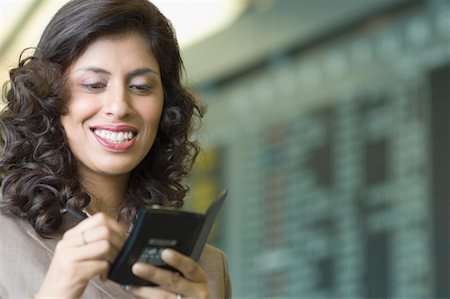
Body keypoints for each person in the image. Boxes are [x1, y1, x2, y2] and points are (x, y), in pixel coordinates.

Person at [0, 0, 231, 298]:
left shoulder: (207, 268)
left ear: (166, 105)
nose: (119, 107)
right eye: (94, 84)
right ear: (49, 96)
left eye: (140, 87)